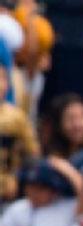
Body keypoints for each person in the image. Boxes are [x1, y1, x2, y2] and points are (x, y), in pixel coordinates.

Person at [0, 63, 38, 202]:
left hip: (8, 189)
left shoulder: (17, 117)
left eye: (2, 79)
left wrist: (19, 179)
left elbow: (32, 153)